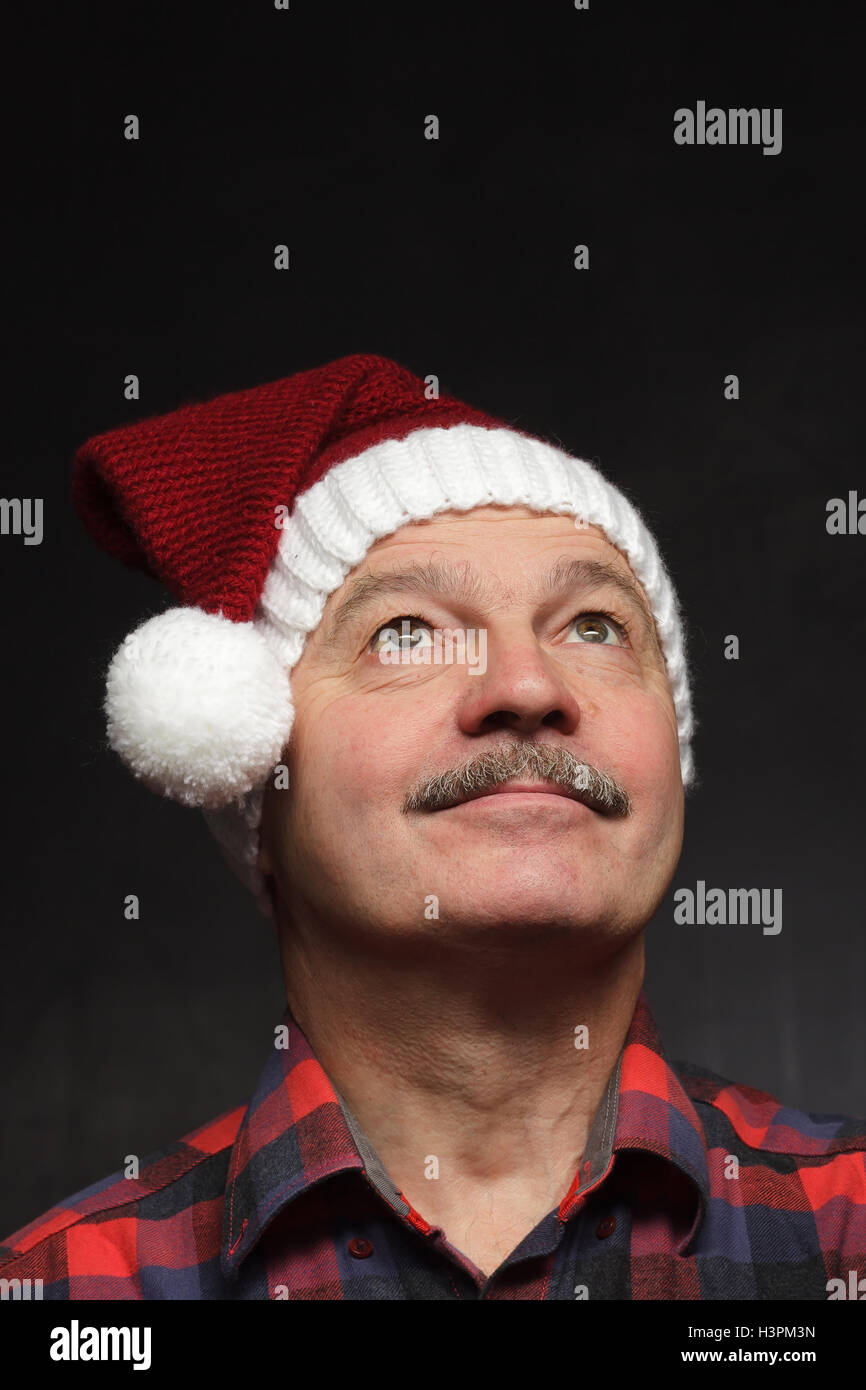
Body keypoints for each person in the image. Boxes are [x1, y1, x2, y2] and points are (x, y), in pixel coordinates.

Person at [1, 354, 862, 1300]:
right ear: (250, 772)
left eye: (594, 626)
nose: (530, 687)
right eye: (406, 633)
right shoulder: (66, 1291)